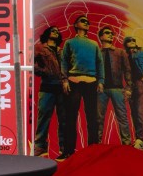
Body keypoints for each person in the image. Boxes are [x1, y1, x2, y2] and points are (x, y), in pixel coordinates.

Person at [58, 14, 100, 156]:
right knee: (70, 117)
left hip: (91, 82)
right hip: (73, 81)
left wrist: (101, 81)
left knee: (92, 117)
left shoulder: (94, 44)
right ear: (75, 25)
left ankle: (93, 150)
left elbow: (99, 63)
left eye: (88, 22)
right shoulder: (69, 43)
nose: (86, 23)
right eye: (83, 21)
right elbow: (64, 62)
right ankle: (68, 151)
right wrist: (64, 80)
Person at [96, 25, 135, 147]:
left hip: (118, 88)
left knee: (122, 117)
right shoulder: (97, 53)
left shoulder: (120, 52)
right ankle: (96, 145)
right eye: (107, 33)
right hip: (101, 89)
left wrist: (129, 88)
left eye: (112, 34)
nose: (111, 35)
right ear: (101, 37)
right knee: (98, 118)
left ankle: (127, 145)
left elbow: (128, 70)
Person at [32, 26, 66, 156]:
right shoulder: (39, 47)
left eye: (57, 31)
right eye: (53, 31)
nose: (56, 32)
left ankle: (63, 147)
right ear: (47, 33)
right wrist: (43, 71)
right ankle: (40, 146)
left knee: (63, 119)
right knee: (44, 118)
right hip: (47, 87)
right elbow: (31, 63)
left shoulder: (61, 51)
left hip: (62, 88)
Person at [124, 34, 143, 150]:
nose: (132, 41)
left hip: (140, 82)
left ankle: (140, 139)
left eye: (133, 40)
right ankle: (138, 139)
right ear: (126, 44)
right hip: (131, 85)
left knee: (140, 110)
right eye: (129, 40)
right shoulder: (126, 55)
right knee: (134, 112)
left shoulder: (142, 51)